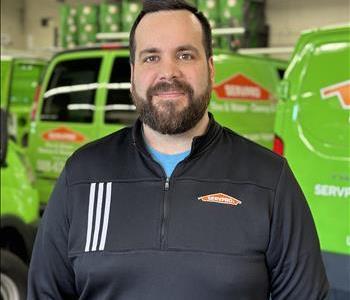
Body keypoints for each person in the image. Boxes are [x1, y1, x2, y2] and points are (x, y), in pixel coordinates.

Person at [28, 1, 329, 299]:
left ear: (210, 69)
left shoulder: (268, 180)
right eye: (151, 58)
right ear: (132, 74)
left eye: (184, 55)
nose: (167, 73)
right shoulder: (82, 175)